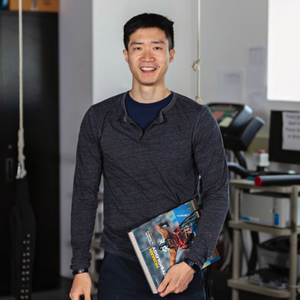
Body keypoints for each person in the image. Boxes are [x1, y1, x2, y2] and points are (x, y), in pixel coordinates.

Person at [69, 12, 229, 300]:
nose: (147, 57)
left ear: (171, 54)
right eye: (137, 47)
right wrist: (80, 267)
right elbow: (84, 194)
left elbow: (217, 192)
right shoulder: (99, 118)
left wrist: (193, 262)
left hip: (178, 265)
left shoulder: (197, 119)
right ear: (126, 54)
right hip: (120, 266)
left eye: (157, 47)